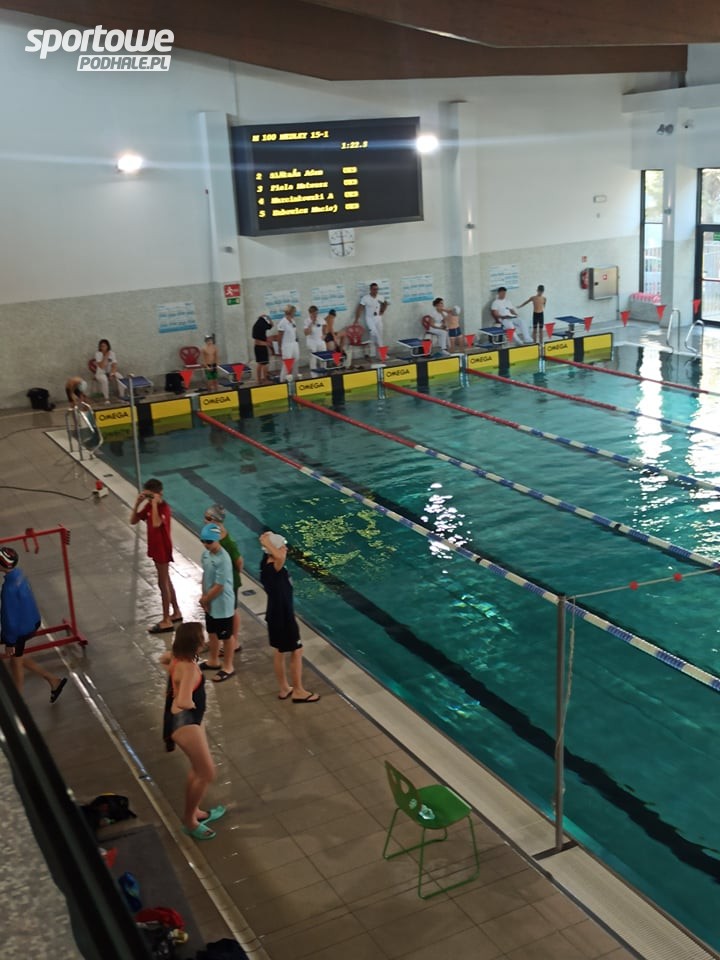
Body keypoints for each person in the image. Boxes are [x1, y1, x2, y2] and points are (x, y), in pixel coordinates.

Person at [160, 622, 223, 840]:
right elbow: (183, 701)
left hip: (187, 721)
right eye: (202, 639)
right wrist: (191, 703)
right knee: (207, 773)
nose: (204, 642)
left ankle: (193, 811)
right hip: (185, 722)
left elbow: (163, 659)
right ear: (195, 644)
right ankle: (189, 821)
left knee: (198, 770)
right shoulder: (187, 668)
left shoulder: (176, 658)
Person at [259, 530, 320, 703]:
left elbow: (275, 553)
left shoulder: (266, 563)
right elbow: (279, 556)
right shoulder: (274, 567)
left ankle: (284, 688)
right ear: (273, 551)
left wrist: (268, 539)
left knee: (280, 651)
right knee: (297, 651)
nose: (285, 549)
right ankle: (298, 691)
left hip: (274, 614)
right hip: (283, 617)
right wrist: (268, 542)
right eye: (282, 546)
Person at [0, 547, 67, 702]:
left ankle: (18, 702)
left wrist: (10, 642)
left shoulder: (8, 589)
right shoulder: (19, 574)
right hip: (31, 621)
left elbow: (10, 619)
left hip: (20, 630)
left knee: (16, 661)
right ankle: (53, 680)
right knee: (17, 658)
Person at [130, 478, 182, 633]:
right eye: (148, 496)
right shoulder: (148, 506)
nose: (149, 499)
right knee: (166, 580)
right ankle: (176, 612)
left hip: (162, 549)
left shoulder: (164, 508)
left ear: (160, 494)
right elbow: (133, 521)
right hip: (155, 548)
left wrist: (154, 504)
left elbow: (156, 523)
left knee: (162, 583)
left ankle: (166, 620)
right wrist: (137, 504)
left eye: (151, 496)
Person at [198, 522, 237, 682]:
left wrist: (206, 599)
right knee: (212, 633)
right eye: (203, 541)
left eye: (209, 541)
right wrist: (204, 597)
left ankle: (228, 666)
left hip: (223, 604)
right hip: (210, 601)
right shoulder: (206, 555)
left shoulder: (224, 559)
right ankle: (213, 660)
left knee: (226, 637)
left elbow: (219, 586)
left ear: (217, 539)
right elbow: (205, 576)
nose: (206, 544)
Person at [203, 503, 243, 656]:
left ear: (215, 520)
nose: (204, 520)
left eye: (207, 518)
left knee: (232, 610)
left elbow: (239, 562)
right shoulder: (212, 536)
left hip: (230, 581)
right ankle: (215, 640)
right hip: (219, 579)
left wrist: (233, 575)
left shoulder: (227, 542)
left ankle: (234, 641)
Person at [355, 282, 388, 359]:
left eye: (377, 289)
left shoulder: (380, 297)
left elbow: (385, 303)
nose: (375, 291)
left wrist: (382, 311)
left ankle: (377, 354)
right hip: (370, 319)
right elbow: (360, 308)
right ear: (370, 289)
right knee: (375, 333)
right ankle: (381, 354)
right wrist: (356, 319)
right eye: (374, 289)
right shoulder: (365, 298)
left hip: (378, 318)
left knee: (379, 336)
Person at [94, 339, 127, 403]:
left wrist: (112, 374)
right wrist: (106, 356)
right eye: (101, 346)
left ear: (107, 346)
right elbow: (102, 366)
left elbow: (114, 365)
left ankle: (122, 397)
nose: (103, 347)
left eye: (104, 346)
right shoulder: (98, 354)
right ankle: (106, 399)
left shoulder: (112, 353)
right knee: (104, 380)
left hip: (110, 371)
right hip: (100, 373)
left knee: (120, 378)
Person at [277, 305, 300, 382]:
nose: (295, 313)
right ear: (290, 312)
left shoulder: (293, 321)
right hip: (286, 345)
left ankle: (294, 379)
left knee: (296, 361)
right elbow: (279, 336)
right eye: (294, 312)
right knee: (287, 364)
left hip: (294, 344)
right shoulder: (282, 322)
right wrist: (279, 347)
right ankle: (282, 380)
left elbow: (294, 332)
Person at [252, 313, 274, 385]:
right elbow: (271, 325)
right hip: (262, 347)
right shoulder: (263, 325)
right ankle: (265, 380)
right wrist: (268, 318)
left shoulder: (255, 326)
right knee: (265, 364)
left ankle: (258, 380)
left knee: (259, 364)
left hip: (256, 347)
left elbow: (257, 340)